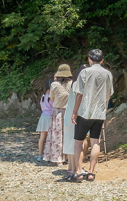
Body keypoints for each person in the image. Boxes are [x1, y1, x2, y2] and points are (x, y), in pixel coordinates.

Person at [69, 49, 114, 182]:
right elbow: (109, 94)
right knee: (95, 141)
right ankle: (90, 173)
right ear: (102, 60)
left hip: (85, 112)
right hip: (99, 113)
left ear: (89, 59)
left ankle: (78, 172)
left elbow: (79, 94)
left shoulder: (85, 72)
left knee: (78, 141)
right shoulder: (108, 74)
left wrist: (74, 111)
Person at [62, 64, 88, 178]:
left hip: (69, 116)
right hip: (76, 116)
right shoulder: (82, 86)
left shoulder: (74, 84)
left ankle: (72, 168)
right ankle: (77, 169)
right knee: (78, 143)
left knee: (71, 143)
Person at [44, 65, 73, 165]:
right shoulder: (72, 83)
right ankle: (69, 157)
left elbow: (52, 98)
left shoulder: (54, 85)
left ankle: (58, 159)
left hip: (57, 112)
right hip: (69, 111)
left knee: (57, 136)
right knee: (68, 134)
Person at [36, 78, 53, 161]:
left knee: (42, 137)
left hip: (43, 117)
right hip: (50, 117)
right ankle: (50, 155)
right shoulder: (52, 97)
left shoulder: (42, 97)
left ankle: (40, 154)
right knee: (52, 138)